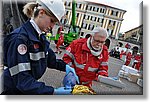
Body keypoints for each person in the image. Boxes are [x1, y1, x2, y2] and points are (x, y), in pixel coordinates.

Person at [2, 0, 79, 95]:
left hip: (26, 88)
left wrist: (66, 67)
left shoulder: (39, 37)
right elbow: (22, 80)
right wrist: (52, 91)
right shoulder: (20, 39)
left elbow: (50, 60)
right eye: (52, 21)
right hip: (12, 91)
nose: (52, 26)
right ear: (41, 13)